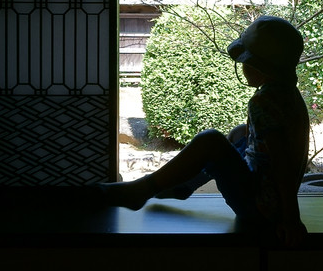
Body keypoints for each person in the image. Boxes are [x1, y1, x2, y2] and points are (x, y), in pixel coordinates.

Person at [103, 15, 309, 248]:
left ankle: (141, 190)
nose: (242, 66)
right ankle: (181, 185)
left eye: (245, 61)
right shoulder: (287, 94)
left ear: (260, 67)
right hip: (270, 199)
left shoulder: (265, 102)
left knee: (210, 141)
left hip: (261, 209)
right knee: (239, 134)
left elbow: (281, 162)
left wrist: (290, 219)